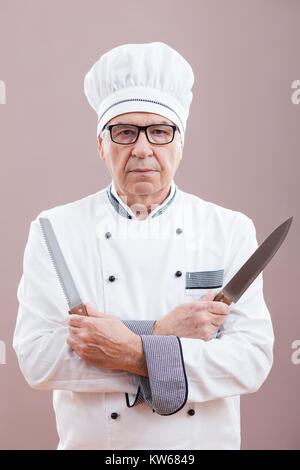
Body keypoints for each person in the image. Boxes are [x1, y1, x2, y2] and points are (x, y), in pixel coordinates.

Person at [13, 42, 274, 450]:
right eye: (124, 131)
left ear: (180, 143)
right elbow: (37, 359)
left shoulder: (230, 229)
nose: (142, 148)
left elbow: (251, 360)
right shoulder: (55, 230)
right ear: (101, 144)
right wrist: (162, 334)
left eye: (159, 131)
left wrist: (130, 349)